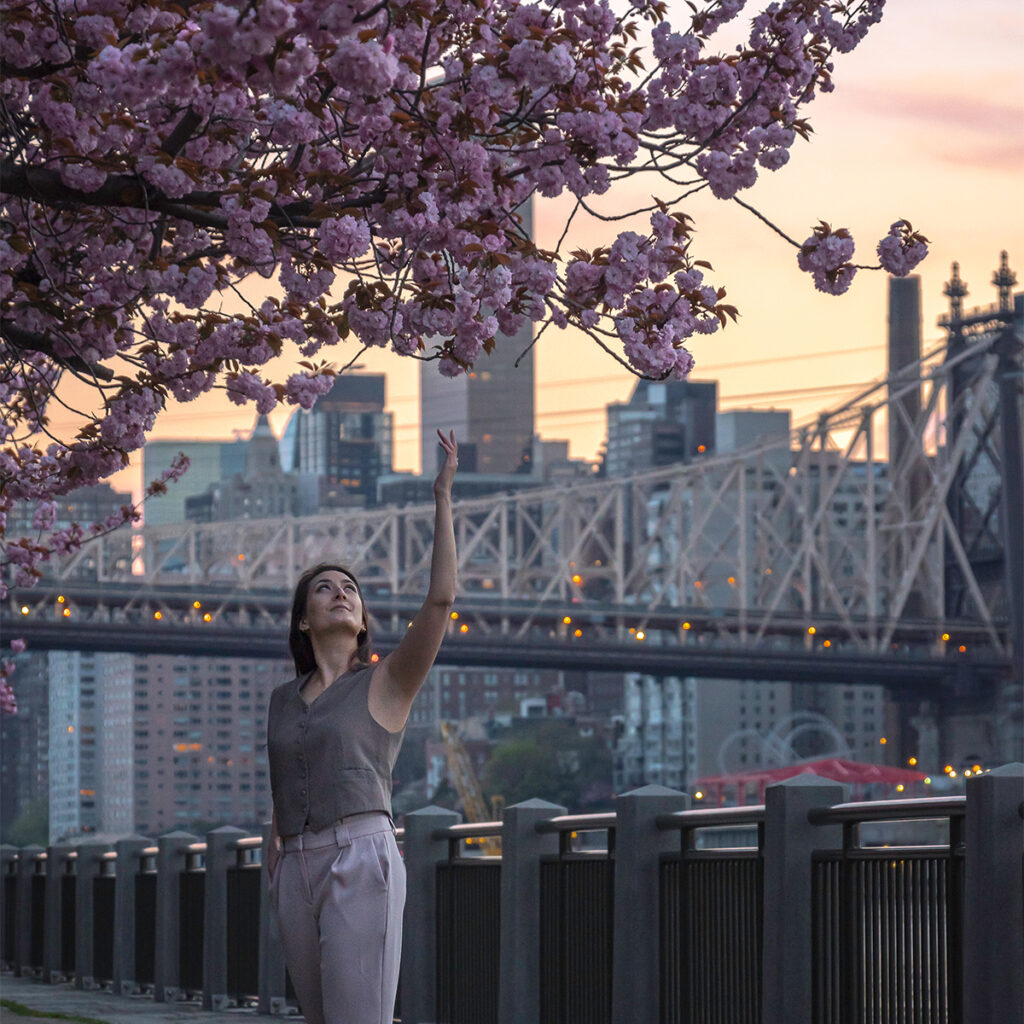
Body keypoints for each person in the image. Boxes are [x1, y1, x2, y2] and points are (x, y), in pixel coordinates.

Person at [265, 429, 458, 1024]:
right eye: (324, 589)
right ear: (303, 620)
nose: (341, 593)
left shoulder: (386, 681)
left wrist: (442, 497)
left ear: (364, 618)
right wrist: (274, 859)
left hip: (360, 855)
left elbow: (439, 602)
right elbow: (283, 784)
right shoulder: (281, 699)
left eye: (350, 589)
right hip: (295, 864)